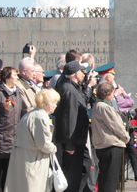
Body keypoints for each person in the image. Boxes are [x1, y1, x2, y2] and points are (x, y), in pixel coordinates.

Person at [5, 89, 60, 192]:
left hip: (24, 158)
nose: (56, 106)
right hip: (33, 161)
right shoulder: (41, 117)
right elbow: (43, 144)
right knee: (32, 187)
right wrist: (54, 148)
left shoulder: (31, 113)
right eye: (54, 103)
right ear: (48, 104)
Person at [54, 60, 91, 191]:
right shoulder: (69, 90)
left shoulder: (73, 87)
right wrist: (69, 144)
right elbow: (69, 118)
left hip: (77, 140)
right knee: (71, 177)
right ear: (75, 74)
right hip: (72, 142)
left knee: (78, 173)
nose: (84, 74)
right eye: (81, 71)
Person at [92, 82, 132, 192]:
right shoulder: (105, 107)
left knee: (105, 177)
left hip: (103, 145)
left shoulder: (98, 104)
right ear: (109, 93)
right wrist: (126, 137)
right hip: (111, 145)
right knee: (111, 179)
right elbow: (116, 126)